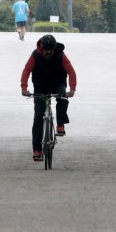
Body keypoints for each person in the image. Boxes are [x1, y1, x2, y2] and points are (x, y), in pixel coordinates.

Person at [20, 34, 76, 162]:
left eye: (51, 50)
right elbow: (26, 70)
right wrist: (24, 88)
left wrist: (72, 89)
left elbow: (71, 71)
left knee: (62, 97)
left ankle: (60, 125)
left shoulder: (61, 55)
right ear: (42, 48)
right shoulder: (35, 55)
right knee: (38, 117)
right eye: (46, 50)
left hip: (58, 83)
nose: (49, 52)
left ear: (55, 48)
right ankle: (37, 150)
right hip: (40, 86)